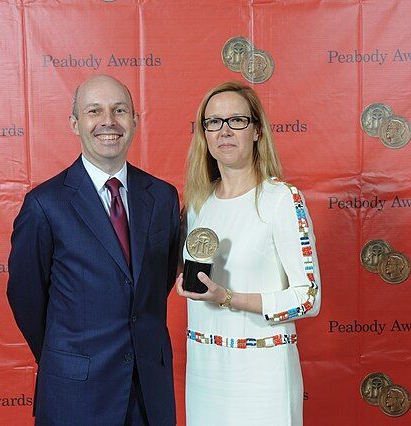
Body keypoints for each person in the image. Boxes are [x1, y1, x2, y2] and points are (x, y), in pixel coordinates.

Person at [7, 75, 180, 425]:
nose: (108, 122)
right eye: (93, 111)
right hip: (76, 392)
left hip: (150, 392)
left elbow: (153, 286)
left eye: (119, 110)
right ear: (75, 123)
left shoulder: (163, 196)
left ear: (135, 120)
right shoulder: (44, 204)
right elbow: (26, 297)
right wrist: (68, 357)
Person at [176, 81, 321, 425]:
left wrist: (228, 297)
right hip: (204, 375)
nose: (224, 130)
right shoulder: (196, 205)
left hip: (263, 378)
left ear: (256, 131)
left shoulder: (282, 199)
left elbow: (308, 298)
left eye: (237, 120)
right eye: (213, 122)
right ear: (204, 134)